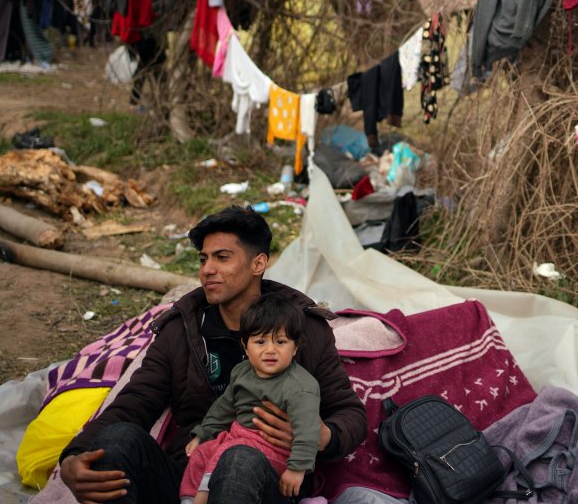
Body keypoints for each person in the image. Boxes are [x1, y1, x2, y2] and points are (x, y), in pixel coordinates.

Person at [58, 206, 367, 503]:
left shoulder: (304, 328)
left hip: (269, 477)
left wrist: (322, 435)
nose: (207, 270)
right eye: (203, 259)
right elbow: (134, 402)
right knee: (116, 442)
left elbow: (349, 412)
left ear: (258, 264)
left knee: (239, 460)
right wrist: (75, 455)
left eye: (222, 257)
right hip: (190, 477)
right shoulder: (182, 329)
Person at [181, 294, 320, 504]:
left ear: (295, 347)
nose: (270, 350)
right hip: (238, 438)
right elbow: (224, 407)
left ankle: (202, 498)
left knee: (232, 454)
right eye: (260, 341)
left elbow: (308, 432)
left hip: (276, 453)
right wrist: (202, 433)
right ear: (245, 346)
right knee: (203, 452)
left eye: (281, 342)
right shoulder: (242, 372)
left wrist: (297, 468)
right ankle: (188, 499)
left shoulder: (300, 386)